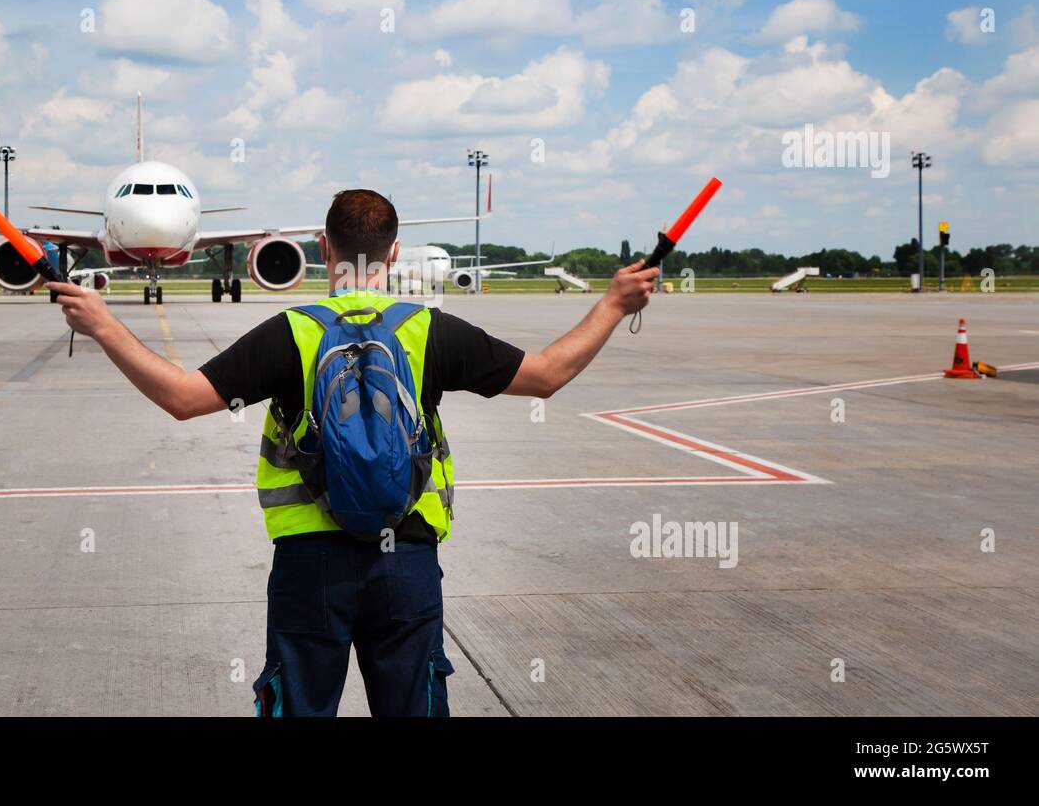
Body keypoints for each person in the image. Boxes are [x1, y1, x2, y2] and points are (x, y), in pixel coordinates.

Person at [50, 189, 657, 717]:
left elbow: (182, 398)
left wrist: (104, 324)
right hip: (407, 562)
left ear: (322, 246)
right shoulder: (430, 329)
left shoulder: (292, 331)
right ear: (393, 252)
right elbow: (547, 375)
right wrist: (611, 303)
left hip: (309, 564)